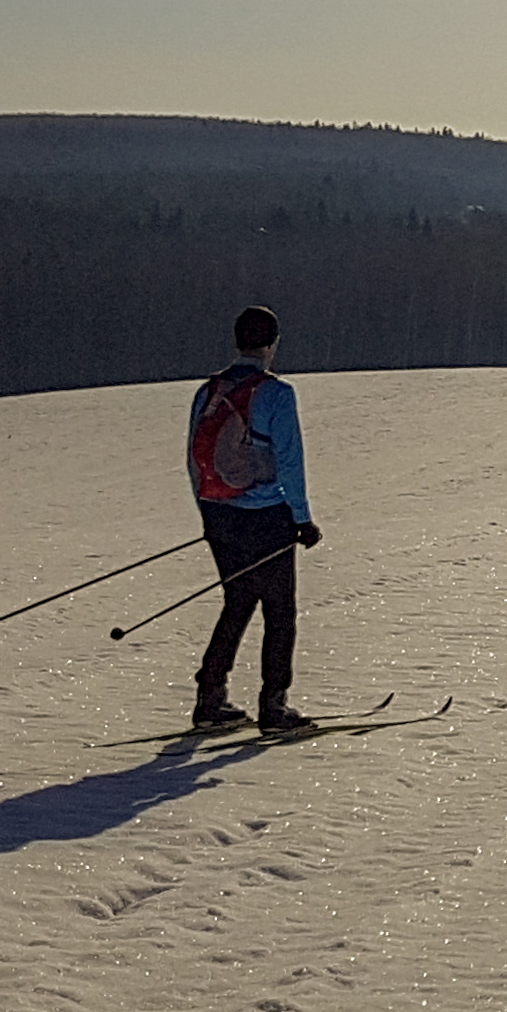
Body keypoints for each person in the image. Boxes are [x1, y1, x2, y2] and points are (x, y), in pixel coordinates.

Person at [185, 304, 322, 733]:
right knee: (279, 611)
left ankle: (210, 698)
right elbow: (290, 461)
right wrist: (302, 519)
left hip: (219, 512)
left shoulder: (208, 391)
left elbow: (193, 459)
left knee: (238, 599)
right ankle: (274, 706)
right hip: (266, 516)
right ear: (272, 344)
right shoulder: (276, 393)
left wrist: (209, 514)